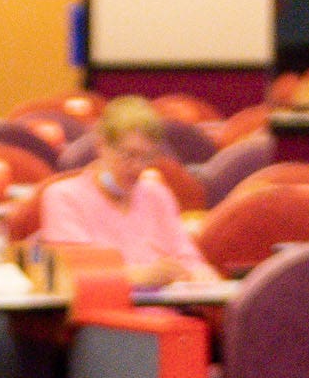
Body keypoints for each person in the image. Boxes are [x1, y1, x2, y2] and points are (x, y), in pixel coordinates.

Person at [34, 95, 214, 286]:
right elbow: (71, 272)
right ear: (102, 146)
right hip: (98, 312)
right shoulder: (64, 196)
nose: (137, 167)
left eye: (147, 157)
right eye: (129, 155)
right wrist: (138, 276)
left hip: (167, 311)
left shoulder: (156, 194)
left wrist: (201, 274)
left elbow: (188, 259)